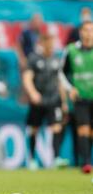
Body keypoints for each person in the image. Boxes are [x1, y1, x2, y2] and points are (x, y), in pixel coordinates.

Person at [22, 34, 69, 170]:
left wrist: (64, 101)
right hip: (38, 100)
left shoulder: (57, 59)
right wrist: (32, 93)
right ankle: (32, 159)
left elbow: (60, 81)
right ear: (41, 43)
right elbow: (27, 78)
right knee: (34, 129)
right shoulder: (34, 59)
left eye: (52, 43)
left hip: (53, 99)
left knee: (56, 127)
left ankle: (56, 158)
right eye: (48, 42)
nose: (50, 45)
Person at [61, 21, 93, 174]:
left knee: (90, 132)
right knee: (83, 130)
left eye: (91, 30)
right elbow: (61, 73)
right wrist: (69, 88)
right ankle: (86, 163)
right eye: (86, 30)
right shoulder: (71, 50)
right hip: (80, 97)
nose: (88, 33)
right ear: (81, 32)